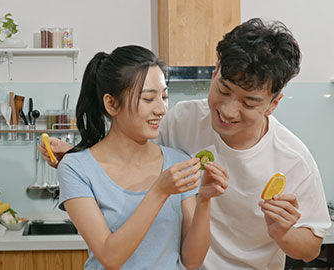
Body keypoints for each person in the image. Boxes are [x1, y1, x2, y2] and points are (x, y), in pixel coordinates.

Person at [39, 18, 332, 269]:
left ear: (273, 103)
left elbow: (310, 248)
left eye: (249, 102)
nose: (228, 110)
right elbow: (127, 140)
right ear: (215, 72)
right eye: (224, 90)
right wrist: (79, 156)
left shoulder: (293, 158)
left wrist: (283, 234)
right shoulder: (182, 121)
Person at [53, 45, 228, 269]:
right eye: (148, 99)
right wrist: (160, 191)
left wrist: (204, 200)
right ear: (111, 104)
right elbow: (110, 256)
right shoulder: (76, 168)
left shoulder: (177, 162)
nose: (162, 109)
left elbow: (192, 261)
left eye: (164, 96)